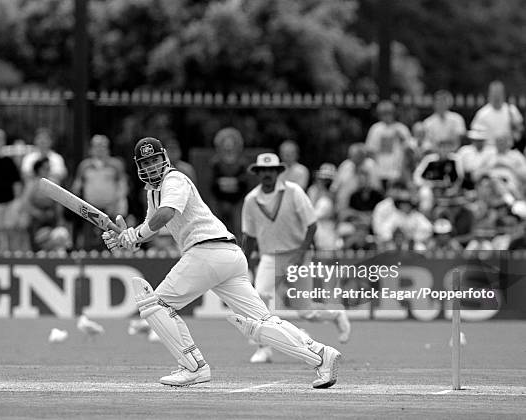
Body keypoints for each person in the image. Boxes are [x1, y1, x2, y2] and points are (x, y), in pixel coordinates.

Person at [101, 138, 342, 388]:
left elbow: (167, 214)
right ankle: (322, 356)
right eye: (146, 162)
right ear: (139, 167)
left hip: (207, 251)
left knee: (156, 306)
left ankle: (192, 367)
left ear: (165, 159)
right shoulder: (153, 192)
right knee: (262, 321)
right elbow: (150, 225)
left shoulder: (174, 180)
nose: (152, 166)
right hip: (227, 255)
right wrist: (125, 237)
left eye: (155, 160)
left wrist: (135, 235)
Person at [241, 153, 350, 364]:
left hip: (297, 253)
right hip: (270, 257)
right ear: (257, 173)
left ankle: (336, 314)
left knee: (306, 311)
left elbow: (312, 224)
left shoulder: (294, 191)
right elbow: (250, 236)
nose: (267, 175)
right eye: (263, 171)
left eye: (271, 170)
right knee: (259, 298)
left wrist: (301, 252)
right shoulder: (251, 200)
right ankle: (264, 349)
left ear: (278, 172)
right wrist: (242, 263)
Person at [71, 135, 129, 250]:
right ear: (91, 149)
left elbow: (123, 186)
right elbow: (76, 187)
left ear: (108, 148)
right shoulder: (84, 165)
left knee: (112, 243)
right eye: (97, 146)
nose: (100, 149)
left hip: (110, 209)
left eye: (103, 146)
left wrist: (118, 204)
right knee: (89, 242)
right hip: (90, 210)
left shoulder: (116, 164)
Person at [210, 127, 249, 236]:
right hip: (219, 200)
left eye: (231, 145)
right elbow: (213, 185)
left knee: (239, 224)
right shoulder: (215, 163)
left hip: (238, 200)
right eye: (226, 145)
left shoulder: (242, 163)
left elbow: (244, 184)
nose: (228, 148)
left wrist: (228, 184)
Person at [470, 80, 524, 147]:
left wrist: (516, 132)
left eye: (499, 93)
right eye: (494, 93)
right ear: (490, 94)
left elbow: (519, 130)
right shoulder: (482, 113)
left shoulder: (511, 110)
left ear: (503, 94)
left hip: (507, 149)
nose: (497, 96)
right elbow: (475, 134)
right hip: (488, 149)